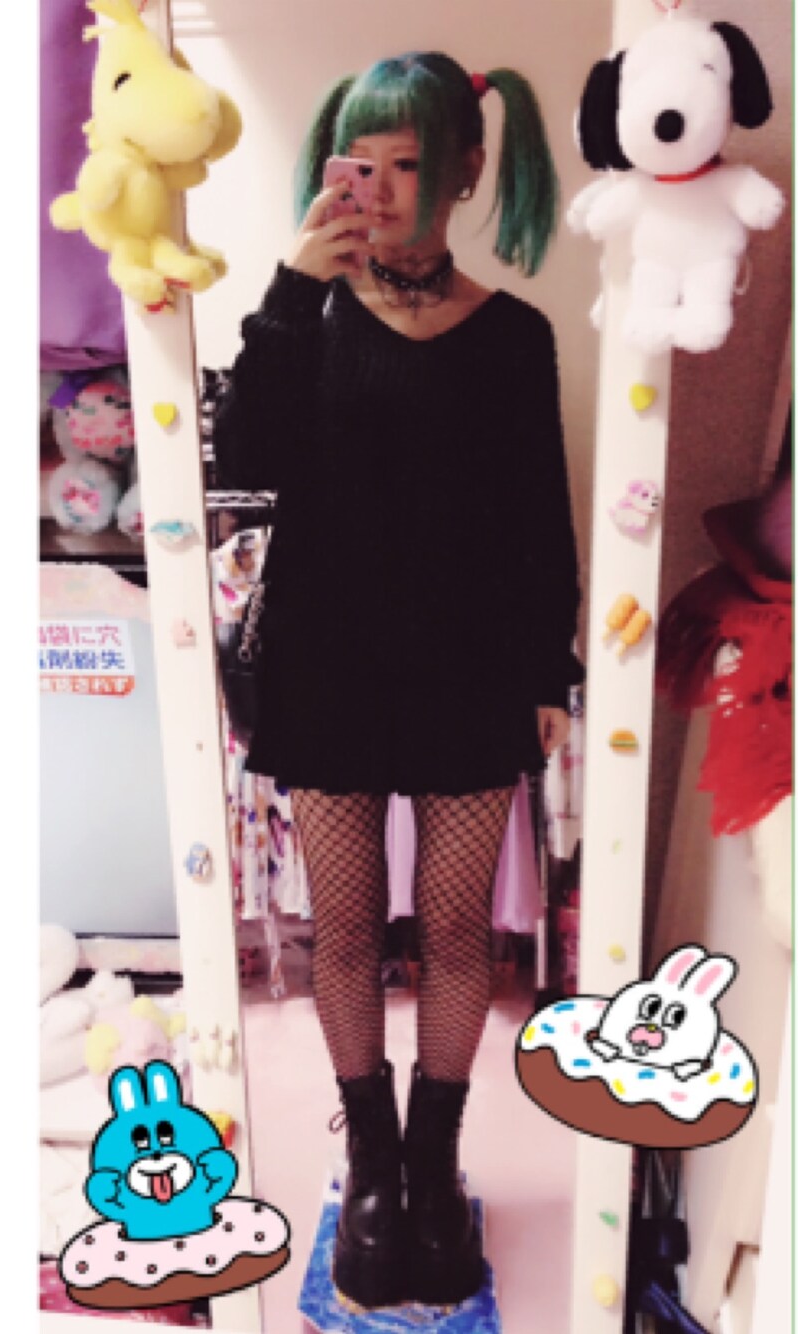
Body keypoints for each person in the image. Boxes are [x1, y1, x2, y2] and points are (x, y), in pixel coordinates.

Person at [213, 51, 583, 1310]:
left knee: (458, 928)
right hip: (326, 665)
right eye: (356, 160)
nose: (373, 187)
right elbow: (242, 464)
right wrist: (286, 289)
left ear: (467, 171)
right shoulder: (304, 318)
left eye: (406, 162)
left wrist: (549, 668)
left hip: (470, 669)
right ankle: (370, 1163)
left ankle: (433, 1158)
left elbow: (541, 518)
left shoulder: (516, 334)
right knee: (349, 928)